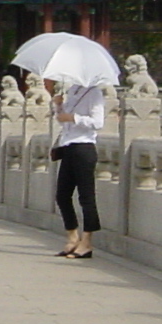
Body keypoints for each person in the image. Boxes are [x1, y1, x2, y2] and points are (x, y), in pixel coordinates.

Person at [49, 76, 105, 258]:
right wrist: (58, 107)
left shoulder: (94, 92)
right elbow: (63, 122)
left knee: (86, 197)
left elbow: (98, 122)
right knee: (62, 195)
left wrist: (74, 117)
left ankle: (87, 242)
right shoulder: (72, 90)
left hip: (84, 148)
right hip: (68, 148)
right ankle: (72, 237)